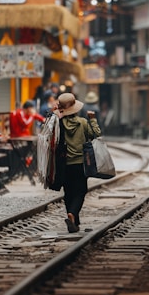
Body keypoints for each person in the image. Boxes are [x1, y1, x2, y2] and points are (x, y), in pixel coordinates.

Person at [53, 92, 101, 233]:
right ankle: (72, 214)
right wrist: (93, 119)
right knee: (80, 191)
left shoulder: (58, 124)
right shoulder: (83, 123)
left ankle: (75, 222)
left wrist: (54, 114)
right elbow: (96, 135)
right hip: (80, 163)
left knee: (68, 192)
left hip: (63, 164)